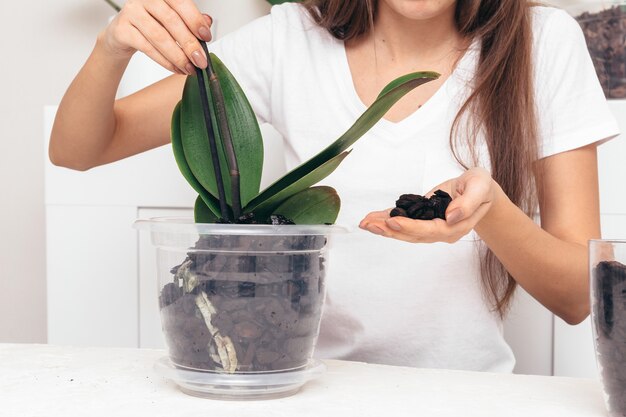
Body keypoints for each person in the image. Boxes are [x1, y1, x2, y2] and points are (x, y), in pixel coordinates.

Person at [50, 0, 619, 372]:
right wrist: (113, 47)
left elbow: (576, 297)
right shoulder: (288, 42)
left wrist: (493, 214)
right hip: (300, 390)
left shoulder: (542, 42)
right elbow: (78, 149)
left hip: (466, 396)